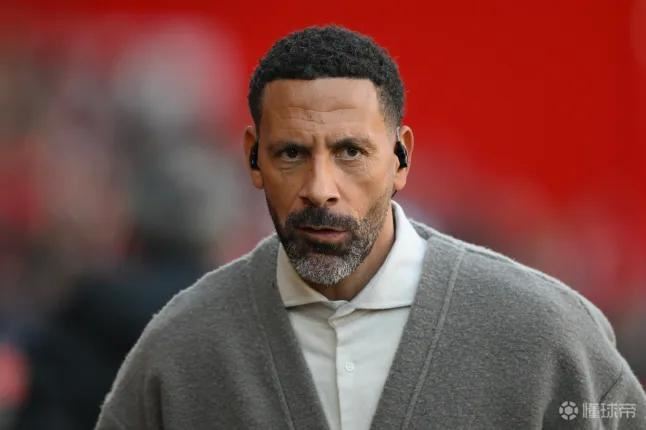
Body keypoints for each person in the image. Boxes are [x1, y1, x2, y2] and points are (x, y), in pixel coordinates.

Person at [95, 25, 646, 429]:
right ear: (253, 158)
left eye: (350, 152)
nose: (320, 187)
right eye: (291, 153)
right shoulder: (180, 354)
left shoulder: (546, 337)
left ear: (401, 158)